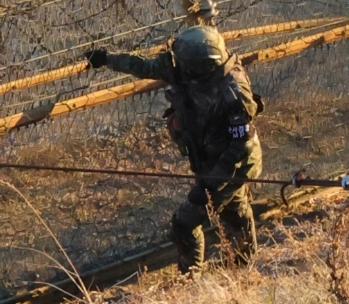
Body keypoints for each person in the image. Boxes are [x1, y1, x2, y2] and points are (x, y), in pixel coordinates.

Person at [87, 23, 262, 274]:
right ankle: (244, 267)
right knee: (234, 210)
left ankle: (190, 279)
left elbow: (240, 147)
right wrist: (107, 59)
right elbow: (145, 67)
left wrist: (209, 186)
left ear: (200, 65)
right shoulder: (184, 67)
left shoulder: (233, 92)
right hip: (209, 156)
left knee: (185, 224)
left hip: (234, 165)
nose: (173, 63)